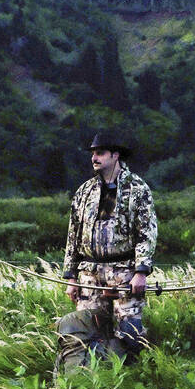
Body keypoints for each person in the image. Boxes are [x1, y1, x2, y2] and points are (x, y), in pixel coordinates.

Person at [59, 131, 159, 360]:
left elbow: (147, 232)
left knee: (131, 334)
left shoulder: (138, 189)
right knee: (87, 332)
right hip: (89, 275)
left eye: (100, 153)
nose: (94, 158)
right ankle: (92, 380)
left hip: (125, 273)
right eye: (93, 153)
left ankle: (132, 378)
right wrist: (71, 277)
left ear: (115, 155)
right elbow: (72, 236)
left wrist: (141, 273)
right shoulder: (84, 192)